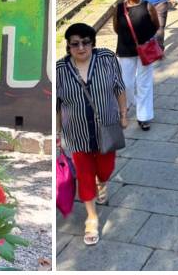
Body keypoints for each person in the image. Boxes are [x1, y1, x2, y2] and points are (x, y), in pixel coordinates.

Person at [56, 23, 127, 246]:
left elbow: (119, 87)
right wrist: (58, 133)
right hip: (77, 133)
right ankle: (92, 218)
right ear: (68, 46)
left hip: (106, 127)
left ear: (92, 43)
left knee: (105, 169)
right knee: (85, 175)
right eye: (75, 43)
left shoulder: (106, 58)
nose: (81, 47)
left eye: (86, 42)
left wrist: (124, 114)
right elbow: (57, 105)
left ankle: (103, 182)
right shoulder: (59, 69)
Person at [113, 0, 160, 130]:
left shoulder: (148, 6)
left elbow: (156, 25)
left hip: (145, 50)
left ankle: (144, 116)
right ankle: (126, 106)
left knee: (144, 83)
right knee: (126, 83)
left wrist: (146, 38)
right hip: (125, 49)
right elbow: (116, 28)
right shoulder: (119, 8)